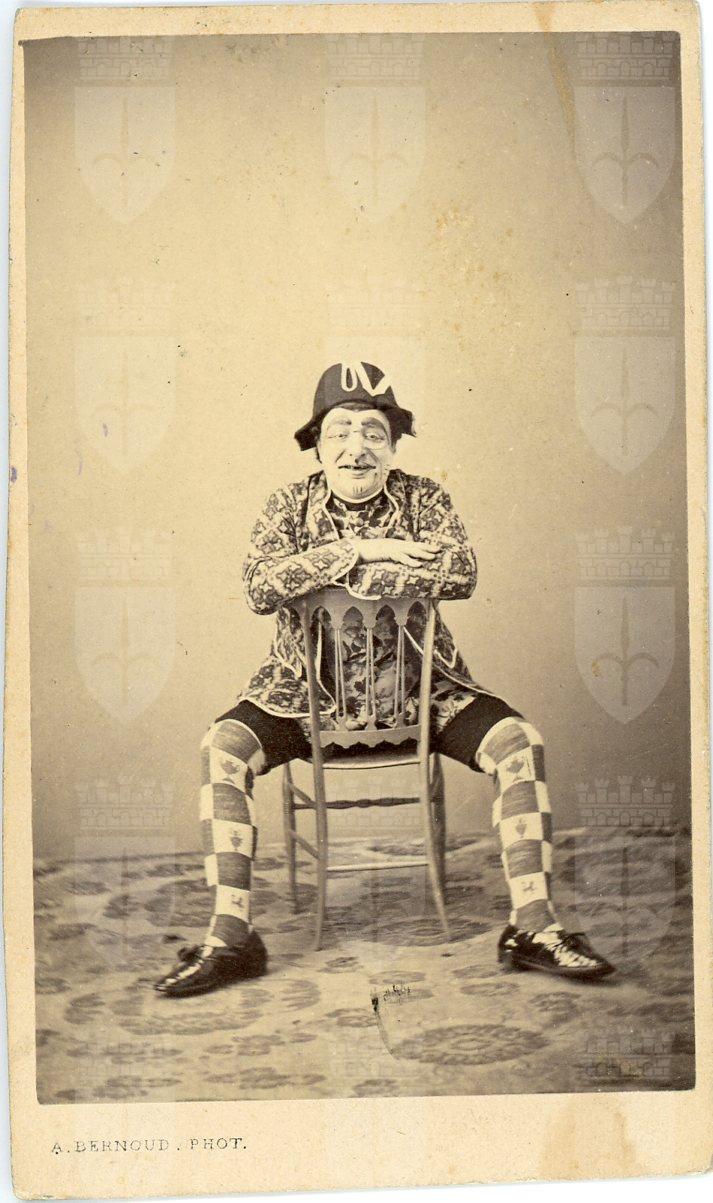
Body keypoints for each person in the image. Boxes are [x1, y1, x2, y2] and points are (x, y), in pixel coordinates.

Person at [155, 361, 615, 997]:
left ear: (394, 445)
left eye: (374, 432)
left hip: (423, 694)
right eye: (340, 432)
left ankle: (533, 927)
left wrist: (329, 576)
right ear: (317, 446)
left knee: (520, 742)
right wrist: (361, 551)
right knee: (221, 751)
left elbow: (459, 571)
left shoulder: (426, 498)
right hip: (303, 697)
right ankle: (231, 939)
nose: (357, 447)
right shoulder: (287, 505)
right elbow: (261, 587)